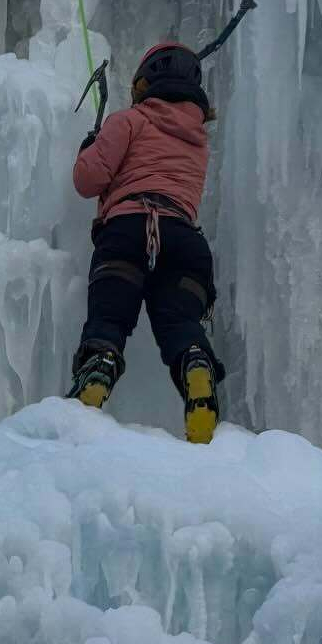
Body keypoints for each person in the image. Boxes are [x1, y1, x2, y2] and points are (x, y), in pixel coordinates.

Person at [68, 42, 224, 443]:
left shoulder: (128, 121)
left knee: (109, 321)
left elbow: (88, 181)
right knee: (180, 324)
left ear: (144, 84)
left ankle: (96, 374)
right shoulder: (198, 141)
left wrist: (90, 145)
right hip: (185, 244)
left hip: (127, 231)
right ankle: (195, 365)